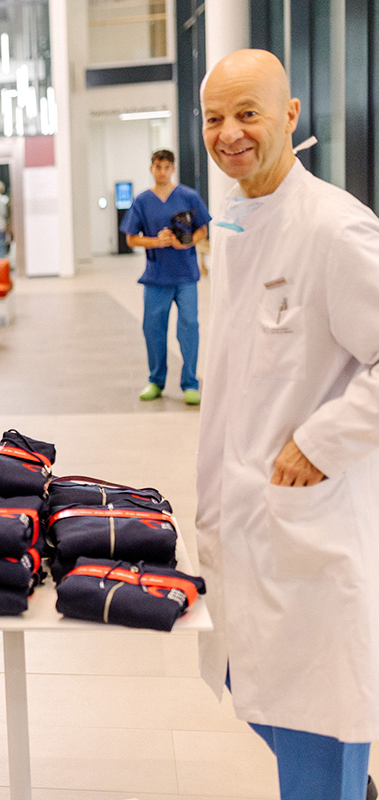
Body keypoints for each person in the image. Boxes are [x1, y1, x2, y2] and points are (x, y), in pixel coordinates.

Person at [197, 49, 379, 800]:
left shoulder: (334, 227)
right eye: (214, 118)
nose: (229, 134)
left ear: (291, 115)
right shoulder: (235, 221)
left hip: (311, 532)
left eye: (248, 114)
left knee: (318, 718)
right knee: (256, 688)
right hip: (245, 521)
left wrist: (320, 440)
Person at [119, 149, 211, 406]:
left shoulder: (188, 196)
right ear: (151, 169)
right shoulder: (142, 201)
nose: (162, 172)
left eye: (167, 167)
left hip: (186, 276)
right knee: (153, 330)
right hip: (156, 277)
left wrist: (187, 242)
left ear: (173, 169)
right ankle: (156, 381)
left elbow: (202, 230)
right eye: (158, 167)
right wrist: (155, 241)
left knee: (189, 327)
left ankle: (190, 384)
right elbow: (131, 238)